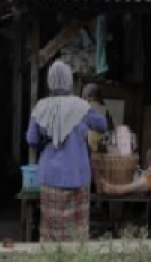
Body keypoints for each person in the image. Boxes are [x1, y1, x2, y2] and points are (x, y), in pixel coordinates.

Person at [26, 61, 108, 242]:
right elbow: (103, 125)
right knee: (76, 232)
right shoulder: (81, 106)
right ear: (69, 81)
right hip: (76, 176)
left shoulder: (40, 107)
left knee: (51, 231)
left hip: (50, 178)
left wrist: (48, 136)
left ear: (50, 81)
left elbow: (31, 139)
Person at [82, 82, 114, 153]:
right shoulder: (104, 110)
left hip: (86, 151)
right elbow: (110, 133)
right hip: (97, 152)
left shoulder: (82, 109)